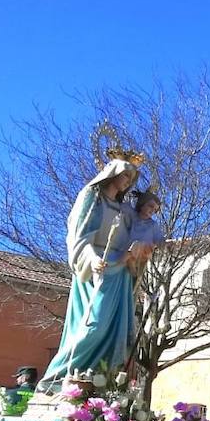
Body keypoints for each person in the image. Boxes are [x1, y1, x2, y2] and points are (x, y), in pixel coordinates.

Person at [37, 158, 140, 392]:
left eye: (131, 179)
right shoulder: (91, 197)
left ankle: (103, 384)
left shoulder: (124, 209)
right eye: (125, 175)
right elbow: (79, 236)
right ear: (112, 173)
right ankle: (55, 380)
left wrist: (135, 253)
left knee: (118, 333)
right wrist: (93, 260)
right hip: (96, 270)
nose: (127, 182)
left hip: (120, 273)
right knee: (95, 326)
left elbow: (137, 235)